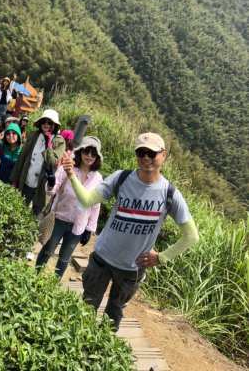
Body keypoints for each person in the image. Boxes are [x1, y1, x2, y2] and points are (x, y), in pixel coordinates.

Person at [62, 132, 199, 330]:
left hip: (131, 270)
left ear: (163, 155)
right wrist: (71, 175)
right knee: (84, 312)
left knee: (112, 319)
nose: (145, 158)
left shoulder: (169, 193)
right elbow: (87, 200)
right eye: (141, 153)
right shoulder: (121, 178)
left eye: (151, 153)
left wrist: (162, 257)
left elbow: (191, 236)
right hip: (102, 259)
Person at [36, 136, 103, 279]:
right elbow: (52, 190)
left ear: (97, 157)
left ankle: (54, 283)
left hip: (78, 225)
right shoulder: (67, 167)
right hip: (59, 218)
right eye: (87, 152)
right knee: (48, 250)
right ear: (80, 152)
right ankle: (35, 276)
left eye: (93, 153)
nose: (89, 156)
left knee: (65, 258)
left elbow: (95, 205)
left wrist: (89, 229)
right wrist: (51, 182)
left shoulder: (97, 178)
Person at [10, 109, 66, 216]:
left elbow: (53, 162)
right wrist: (14, 179)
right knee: (18, 210)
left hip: (42, 185)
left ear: (54, 125)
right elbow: (22, 157)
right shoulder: (34, 135)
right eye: (44, 121)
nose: (46, 124)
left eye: (49, 122)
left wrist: (48, 143)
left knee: (35, 214)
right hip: (27, 179)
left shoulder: (59, 141)